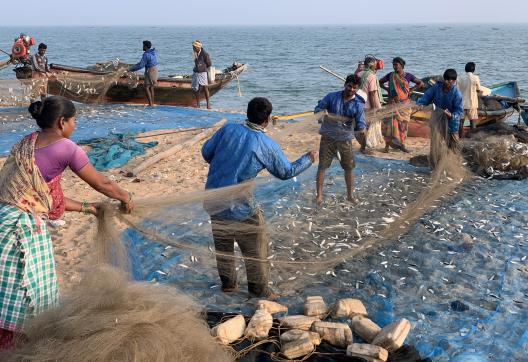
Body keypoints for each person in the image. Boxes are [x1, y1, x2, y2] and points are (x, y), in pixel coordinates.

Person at [0, 96, 133, 349]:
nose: (75, 126)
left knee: (6, 293)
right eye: (74, 121)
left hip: (3, 221)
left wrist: (88, 208)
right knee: (30, 295)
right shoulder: (66, 147)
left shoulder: (27, 143)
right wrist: (126, 197)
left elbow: (41, 197)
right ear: (62, 122)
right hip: (21, 233)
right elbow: (101, 183)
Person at [201, 97, 315, 299]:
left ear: (247, 113)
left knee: (223, 246)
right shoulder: (265, 144)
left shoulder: (228, 129)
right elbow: (285, 172)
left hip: (213, 198)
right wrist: (308, 158)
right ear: (268, 119)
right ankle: (259, 290)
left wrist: (227, 160)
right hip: (240, 206)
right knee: (255, 247)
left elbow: (206, 152)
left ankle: (228, 285)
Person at [314, 74, 367, 205]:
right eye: (349, 86)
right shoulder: (331, 96)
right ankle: (319, 196)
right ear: (345, 84)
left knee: (348, 167)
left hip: (345, 139)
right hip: (328, 137)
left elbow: (360, 123)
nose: (351, 89)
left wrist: (362, 129)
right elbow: (318, 109)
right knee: (322, 167)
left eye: (355, 88)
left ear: (358, 88)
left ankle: (350, 195)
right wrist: (322, 113)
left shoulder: (358, 105)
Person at [379, 57, 424, 153]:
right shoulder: (391, 75)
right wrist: (387, 90)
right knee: (390, 126)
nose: (394, 67)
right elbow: (380, 82)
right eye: (393, 65)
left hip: (404, 105)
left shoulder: (408, 76)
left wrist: (410, 91)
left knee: (403, 125)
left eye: (396, 65)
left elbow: (420, 83)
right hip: (393, 104)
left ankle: (402, 145)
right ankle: (387, 147)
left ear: (402, 66)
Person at [416, 69, 464, 151]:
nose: (448, 82)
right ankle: (435, 162)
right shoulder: (436, 88)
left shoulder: (456, 94)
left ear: (454, 81)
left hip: (451, 123)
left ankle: (453, 162)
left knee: (453, 147)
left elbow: (459, 110)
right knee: (435, 145)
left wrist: (451, 115)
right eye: (446, 79)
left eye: (450, 80)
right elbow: (426, 97)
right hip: (437, 120)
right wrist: (421, 103)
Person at [356, 56, 383, 154]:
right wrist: (374, 109)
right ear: (372, 65)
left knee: (361, 126)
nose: (376, 67)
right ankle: (366, 147)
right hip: (368, 106)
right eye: (375, 65)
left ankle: (363, 147)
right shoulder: (372, 76)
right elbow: (372, 93)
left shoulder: (358, 74)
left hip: (358, 104)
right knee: (369, 127)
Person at [129, 40, 158, 106]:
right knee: (151, 87)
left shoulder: (146, 55)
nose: (142, 47)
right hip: (155, 70)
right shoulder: (152, 52)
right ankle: (152, 103)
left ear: (146, 46)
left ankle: (150, 104)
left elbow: (140, 65)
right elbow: (142, 63)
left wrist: (130, 69)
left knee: (146, 87)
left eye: (143, 46)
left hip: (150, 71)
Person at [457, 62, 482, 137]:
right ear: (473, 70)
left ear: (465, 69)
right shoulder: (476, 78)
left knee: (460, 124)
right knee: (473, 124)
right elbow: (479, 89)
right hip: (472, 104)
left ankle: (459, 138)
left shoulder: (459, 78)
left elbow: (457, 90)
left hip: (461, 103)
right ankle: (472, 138)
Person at [192, 40, 212, 109]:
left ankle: (208, 105)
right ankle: (198, 104)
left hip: (203, 72)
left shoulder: (205, 54)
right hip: (196, 72)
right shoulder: (194, 53)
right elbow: (196, 63)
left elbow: (209, 64)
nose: (193, 48)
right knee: (196, 89)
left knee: (205, 87)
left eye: (194, 47)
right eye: (193, 47)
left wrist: (203, 67)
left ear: (198, 47)